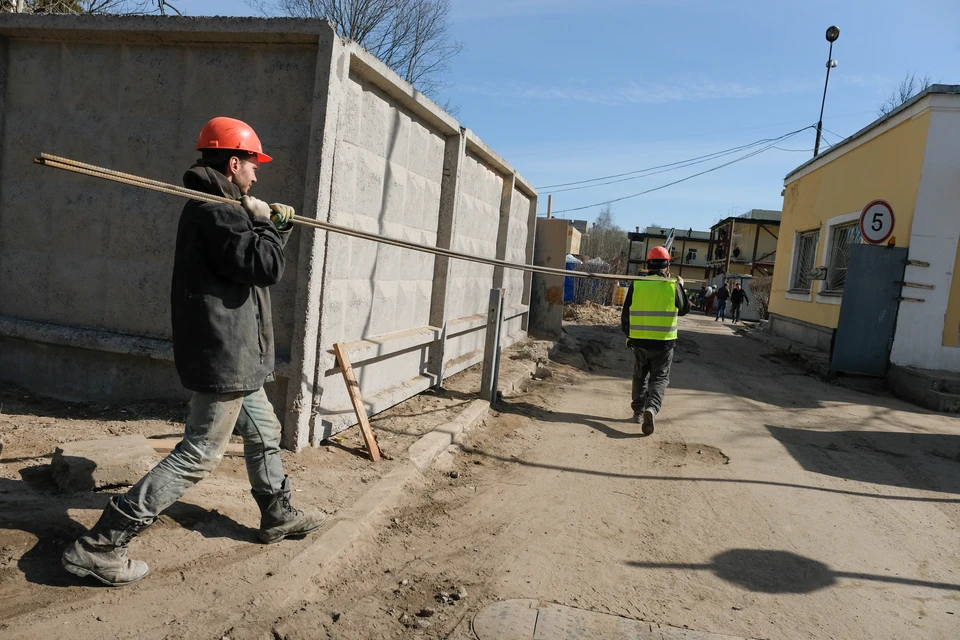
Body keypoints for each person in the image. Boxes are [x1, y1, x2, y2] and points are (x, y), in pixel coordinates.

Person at [62, 117, 325, 587]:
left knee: (265, 432)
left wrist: (270, 228)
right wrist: (266, 223)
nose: (257, 175)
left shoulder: (223, 209)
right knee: (200, 453)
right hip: (226, 356)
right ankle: (99, 545)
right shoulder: (217, 212)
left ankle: (277, 514)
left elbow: (248, 267)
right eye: (253, 165)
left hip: (238, 354)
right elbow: (264, 268)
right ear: (233, 161)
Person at [620, 246, 690, 435]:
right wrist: (680, 286)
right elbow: (684, 309)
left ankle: (637, 411)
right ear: (667, 265)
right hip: (664, 342)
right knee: (659, 378)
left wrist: (628, 334)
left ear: (648, 265)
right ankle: (652, 408)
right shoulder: (672, 285)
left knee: (640, 376)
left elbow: (625, 313)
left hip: (640, 340)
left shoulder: (638, 284)